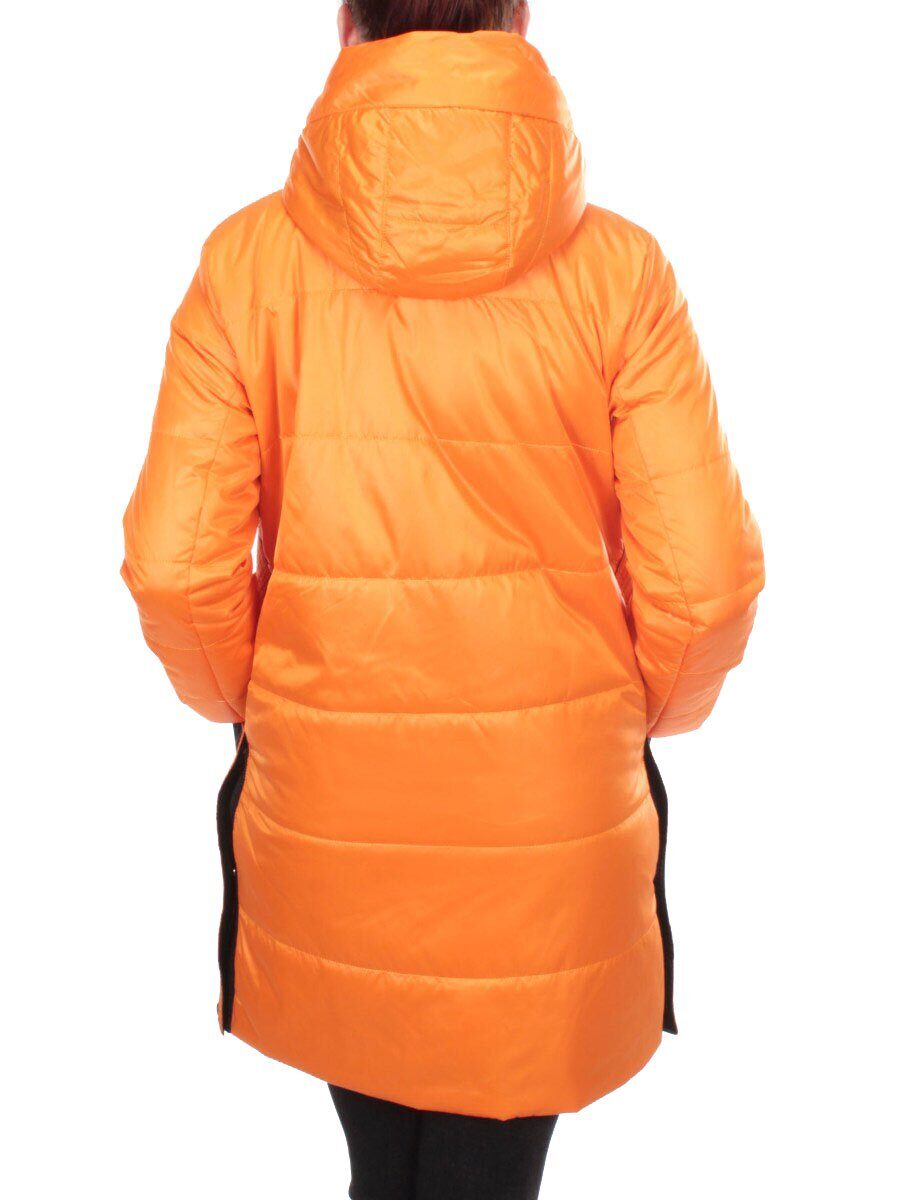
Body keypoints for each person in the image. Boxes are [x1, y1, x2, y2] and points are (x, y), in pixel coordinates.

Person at [121, 1, 764, 1195]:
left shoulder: (247, 264)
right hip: (548, 822)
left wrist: (253, 704)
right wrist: (634, 717)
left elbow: (172, 563)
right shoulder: (621, 272)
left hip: (331, 807)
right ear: (518, 14)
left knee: (384, 1162)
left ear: (347, 21)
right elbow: (708, 585)